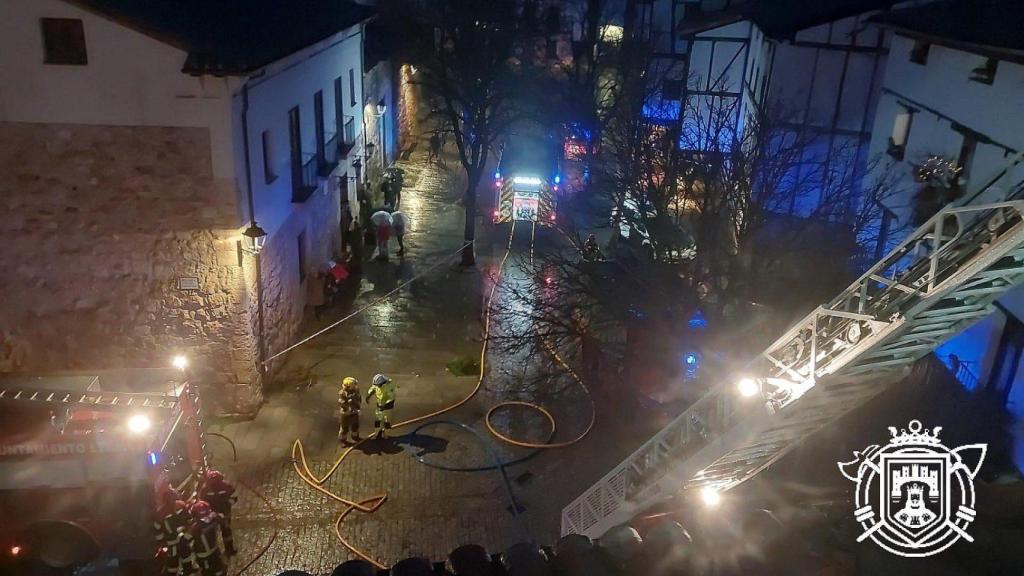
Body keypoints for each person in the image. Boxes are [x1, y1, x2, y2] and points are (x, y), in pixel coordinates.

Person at [197, 469, 237, 556]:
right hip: (221, 514)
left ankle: (222, 551)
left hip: (215, 515)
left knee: (217, 532)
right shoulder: (225, 486)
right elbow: (234, 496)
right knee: (225, 531)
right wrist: (228, 505)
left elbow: (201, 501)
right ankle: (228, 549)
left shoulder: (205, 489)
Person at [154, 492, 195, 576]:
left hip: (173, 543)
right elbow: (189, 520)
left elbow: (157, 529)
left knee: (175, 563)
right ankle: (188, 571)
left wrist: (162, 542)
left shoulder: (161, 513)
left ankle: (186, 571)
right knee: (184, 559)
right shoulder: (180, 505)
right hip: (182, 540)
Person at [189, 500, 229, 576]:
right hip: (214, 551)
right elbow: (222, 518)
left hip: (203, 555)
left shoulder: (195, 528)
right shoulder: (214, 519)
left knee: (207, 572)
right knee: (219, 569)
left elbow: (186, 539)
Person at [366, 373, 396, 438]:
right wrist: (369, 395)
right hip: (379, 405)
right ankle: (377, 433)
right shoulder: (377, 385)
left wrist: (384, 406)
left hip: (388, 407)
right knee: (378, 420)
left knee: (386, 421)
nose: (377, 386)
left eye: (378, 385)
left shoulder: (389, 386)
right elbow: (373, 388)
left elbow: (391, 398)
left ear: (382, 383)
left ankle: (386, 434)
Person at [338, 377, 362, 443]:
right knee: (344, 428)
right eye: (354, 385)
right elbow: (341, 403)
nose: (356, 386)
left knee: (355, 426)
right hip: (345, 413)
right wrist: (348, 403)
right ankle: (342, 440)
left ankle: (355, 437)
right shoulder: (342, 393)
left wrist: (358, 407)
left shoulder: (356, 391)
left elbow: (359, 399)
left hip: (354, 412)